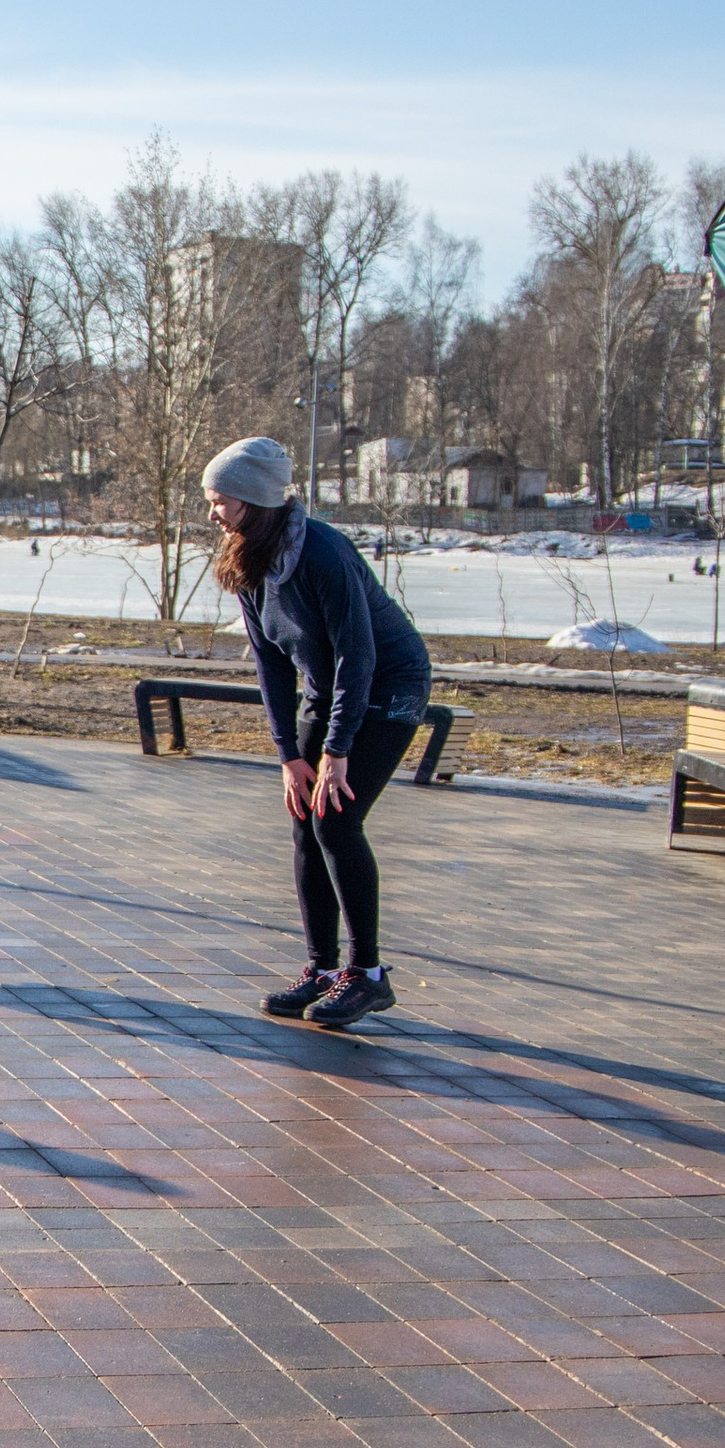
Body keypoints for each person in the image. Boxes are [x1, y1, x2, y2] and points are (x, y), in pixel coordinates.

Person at [206, 435, 432, 1032]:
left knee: (337, 818)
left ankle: (369, 976)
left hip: (389, 682)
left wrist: (336, 751)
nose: (213, 513)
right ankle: (322, 968)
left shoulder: (324, 553)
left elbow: (359, 656)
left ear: (254, 500)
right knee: (305, 818)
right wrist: (288, 755)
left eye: (221, 500)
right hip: (327, 687)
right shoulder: (250, 557)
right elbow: (271, 663)